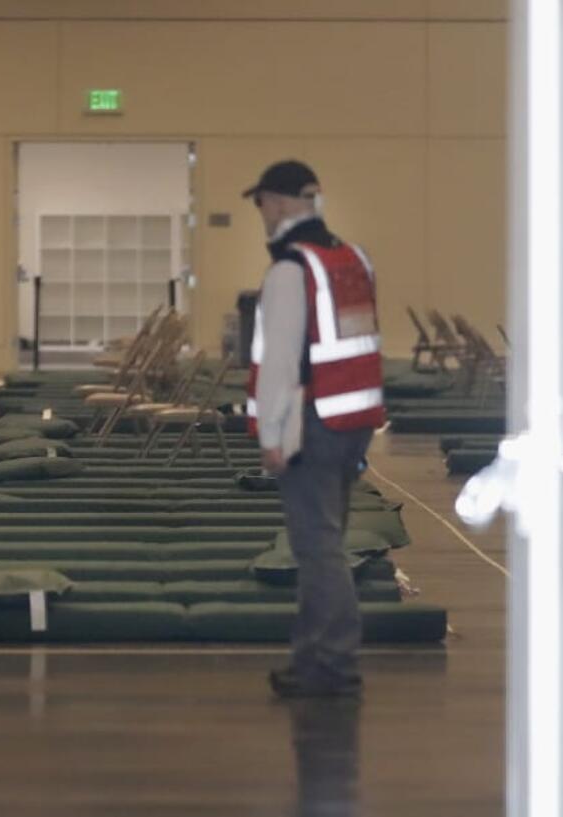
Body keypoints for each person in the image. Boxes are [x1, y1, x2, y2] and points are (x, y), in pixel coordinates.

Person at [244, 160, 386, 698]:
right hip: (353, 421)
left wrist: (271, 440)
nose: (261, 217)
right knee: (325, 542)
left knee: (318, 548)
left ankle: (332, 663)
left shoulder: (290, 271)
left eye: (261, 204)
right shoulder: (351, 260)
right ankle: (315, 659)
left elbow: (279, 364)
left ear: (278, 203)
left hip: (313, 425)